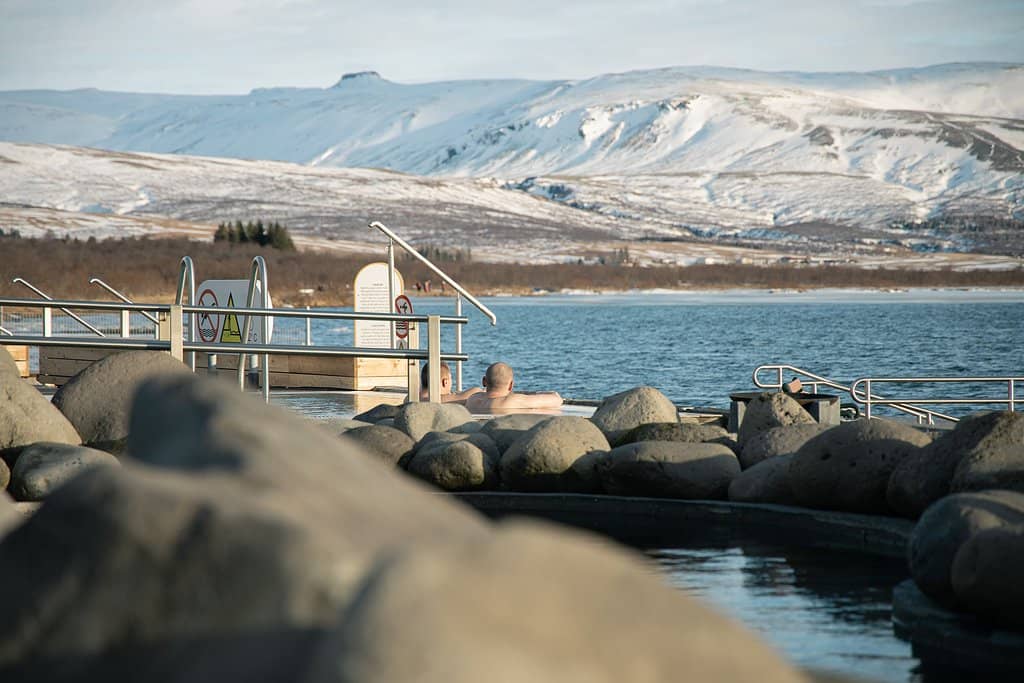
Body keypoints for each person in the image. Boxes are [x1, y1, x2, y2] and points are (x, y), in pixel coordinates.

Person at [465, 361, 563, 413]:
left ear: (484, 381)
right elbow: (557, 399)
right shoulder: (511, 401)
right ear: (511, 385)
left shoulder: (473, 399)